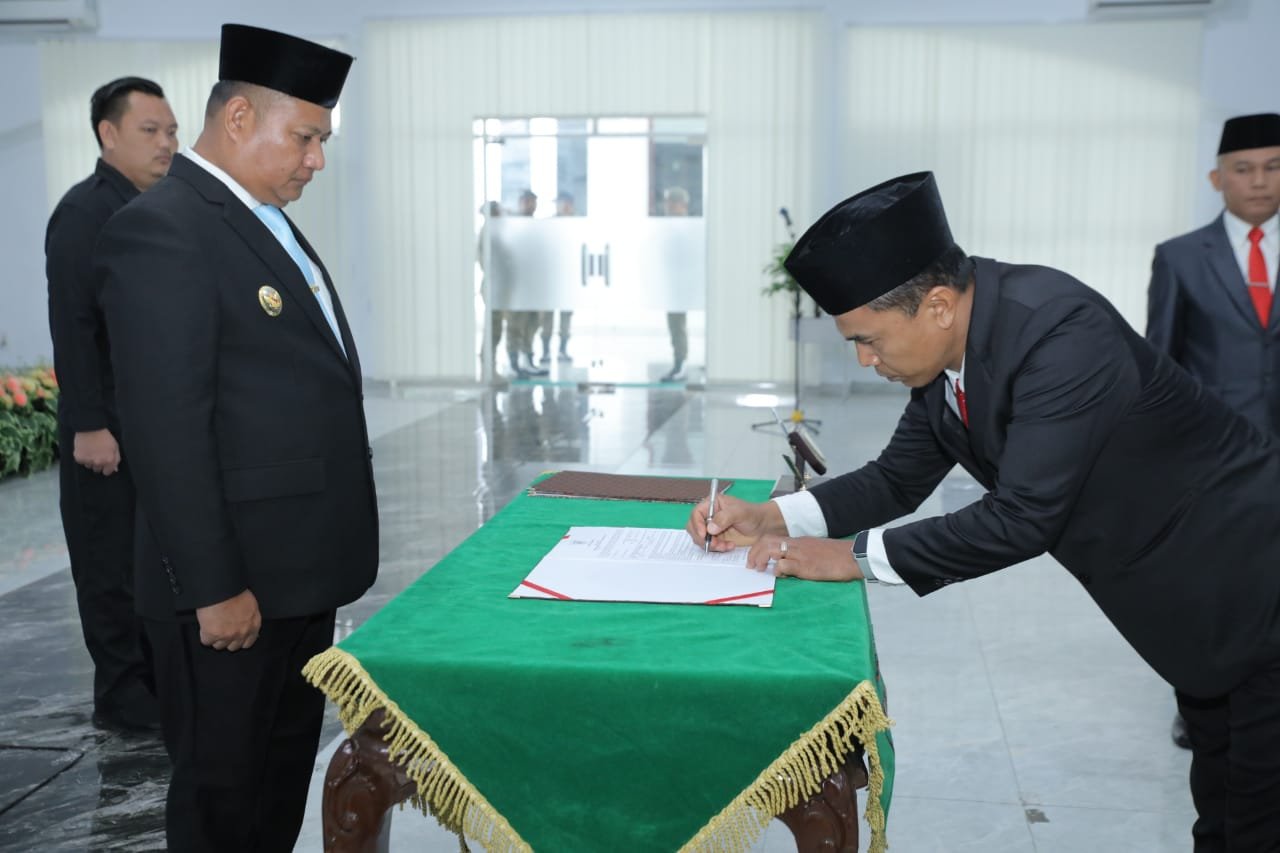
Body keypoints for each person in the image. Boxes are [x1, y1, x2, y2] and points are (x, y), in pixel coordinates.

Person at [688, 171, 1280, 851]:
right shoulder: (948, 361)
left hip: (1253, 577)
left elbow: (1023, 516)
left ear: (937, 304)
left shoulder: (1061, 334)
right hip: (1192, 610)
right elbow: (895, 479)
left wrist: (853, 558)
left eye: (871, 339)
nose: (864, 360)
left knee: (1259, 816)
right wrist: (775, 518)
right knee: (1227, 807)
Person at [94, 24, 378, 852]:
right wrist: (212, 586)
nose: (315, 160)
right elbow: (165, 426)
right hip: (228, 591)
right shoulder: (168, 226)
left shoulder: (255, 218)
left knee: (275, 789)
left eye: (322, 140)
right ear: (240, 116)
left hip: (293, 572)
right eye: (306, 137)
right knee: (223, 803)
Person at [45, 75, 178, 734]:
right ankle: (122, 695)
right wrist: (90, 423)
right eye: (150, 131)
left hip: (154, 425)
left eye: (172, 130)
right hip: (108, 428)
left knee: (152, 560)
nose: (166, 143)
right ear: (108, 134)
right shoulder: (85, 212)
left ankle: (155, 681)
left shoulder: (161, 207)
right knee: (109, 563)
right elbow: (72, 326)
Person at [1146, 112, 1280, 750]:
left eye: (1274, 167)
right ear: (1217, 178)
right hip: (1213, 464)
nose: (1260, 181)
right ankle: (1199, 700)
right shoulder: (1179, 258)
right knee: (1212, 588)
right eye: (1244, 169)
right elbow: (1161, 365)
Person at [538, 190, 576, 363]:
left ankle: (562, 350)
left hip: (568, 280)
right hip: (550, 279)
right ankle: (545, 351)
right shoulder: (549, 224)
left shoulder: (577, 225)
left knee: (566, 318)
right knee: (547, 317)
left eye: (566, 203)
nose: (563, 206)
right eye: (561, 203)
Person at [660, 186, 690, 382]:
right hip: (673, 283)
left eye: (671, 202)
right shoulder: (668, 225)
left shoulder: (686, 227)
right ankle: (679, 362)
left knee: (677, 325)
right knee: (675, 324)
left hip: (684, 283)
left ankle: (680, 364)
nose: (667, 206)